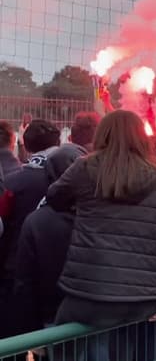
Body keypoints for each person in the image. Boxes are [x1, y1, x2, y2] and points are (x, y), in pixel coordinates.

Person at [46, 110, 156, 359]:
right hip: (146, 296)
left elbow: (54, 197)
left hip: (90, 292)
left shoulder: (85, 167)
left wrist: (81, 205)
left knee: (60, 344)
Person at [12, 144, 86, 335]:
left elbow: (24, 281)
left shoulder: (36, 221)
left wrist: (30, 329)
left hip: (50, 320)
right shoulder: (101, 213)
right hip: (95, 316)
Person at [0, 119, 61, 338]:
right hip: (57, 272)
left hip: (15, 272)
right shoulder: (71, 179)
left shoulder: (14, 182)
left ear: (24, 144)